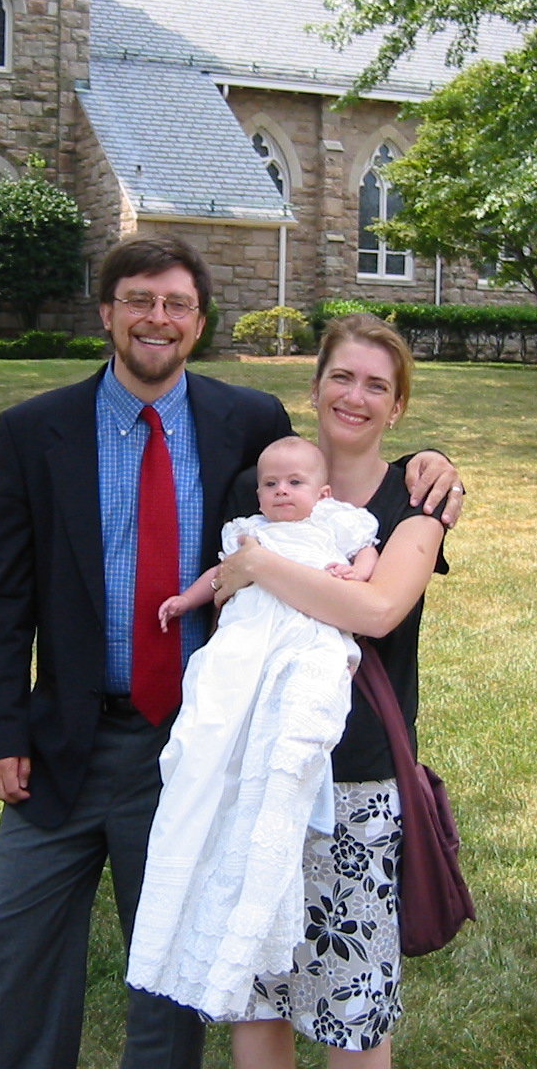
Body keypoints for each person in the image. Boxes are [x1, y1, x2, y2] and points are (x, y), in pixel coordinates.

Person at [0, 236, 462, 1069]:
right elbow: (3, 595)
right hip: (67, 738)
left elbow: (339, 528)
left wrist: (437, 465)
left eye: (177, 305)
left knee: (180, 967)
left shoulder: (247, 425)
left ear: (199, 323)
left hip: (200, 741)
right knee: (17, 951)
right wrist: (1, 730)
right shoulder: (37, 431)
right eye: (139, 301)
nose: (156, 319)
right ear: (108, 312)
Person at [214, 313, 451, 1068]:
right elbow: (221, 595)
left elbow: (378, 608)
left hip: (357, 777)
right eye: (342, 378)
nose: (356, 396)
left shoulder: (415, 502)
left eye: (377, 385)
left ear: (397, 407)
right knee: (260, 993)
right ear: (314, 390)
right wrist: (242, 569)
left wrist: (261, 565)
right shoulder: (262, 487)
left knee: (352, 1007)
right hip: (257, 766)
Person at [127, 435, 379, 1020]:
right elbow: (220, 575)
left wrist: (355, 572)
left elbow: (371, 551)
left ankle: (290, 762)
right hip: (248, 637)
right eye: (270, 484)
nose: (280, 492)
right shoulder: (248, 530)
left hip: (306, 633)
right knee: (214, 704)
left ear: (321, 492)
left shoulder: (337, 522)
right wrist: (188, 601)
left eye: (293, 484)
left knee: (304, 700)